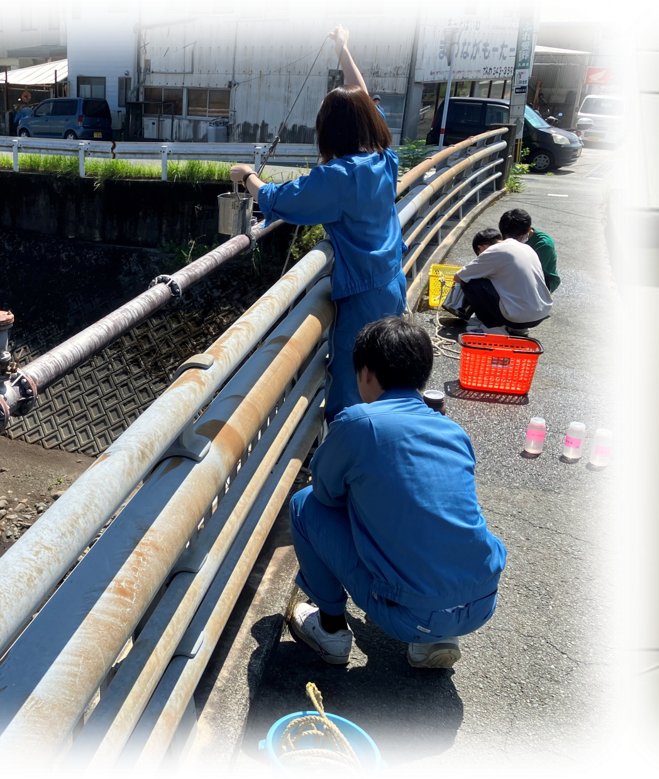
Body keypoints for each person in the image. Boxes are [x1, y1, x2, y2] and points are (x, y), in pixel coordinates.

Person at [283, 314, 506, 670]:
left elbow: (324, 493)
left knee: (303, 505)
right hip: (481, 601)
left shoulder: (360, 422)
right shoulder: (452, 430)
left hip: (411, 616)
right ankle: (435, 640)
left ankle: (331, 630)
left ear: (367, 373)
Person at [236, 23, 406, 410]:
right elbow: (362, 97)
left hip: (362, 298)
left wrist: (246, 176)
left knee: (351, 387)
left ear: (330, 132)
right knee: (384, 379)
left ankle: (347, 446)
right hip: (392, 282)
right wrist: (343, 51)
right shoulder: (383, 159)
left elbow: (281, 199)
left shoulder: (338, 177)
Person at [452, 209, 553, 335]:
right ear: (527, 231)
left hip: (517, 318)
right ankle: (517, 329)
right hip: (540, 314)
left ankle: (494, 328)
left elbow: (459, 277)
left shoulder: (496, 250)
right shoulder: (528, 249)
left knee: (470, 282)